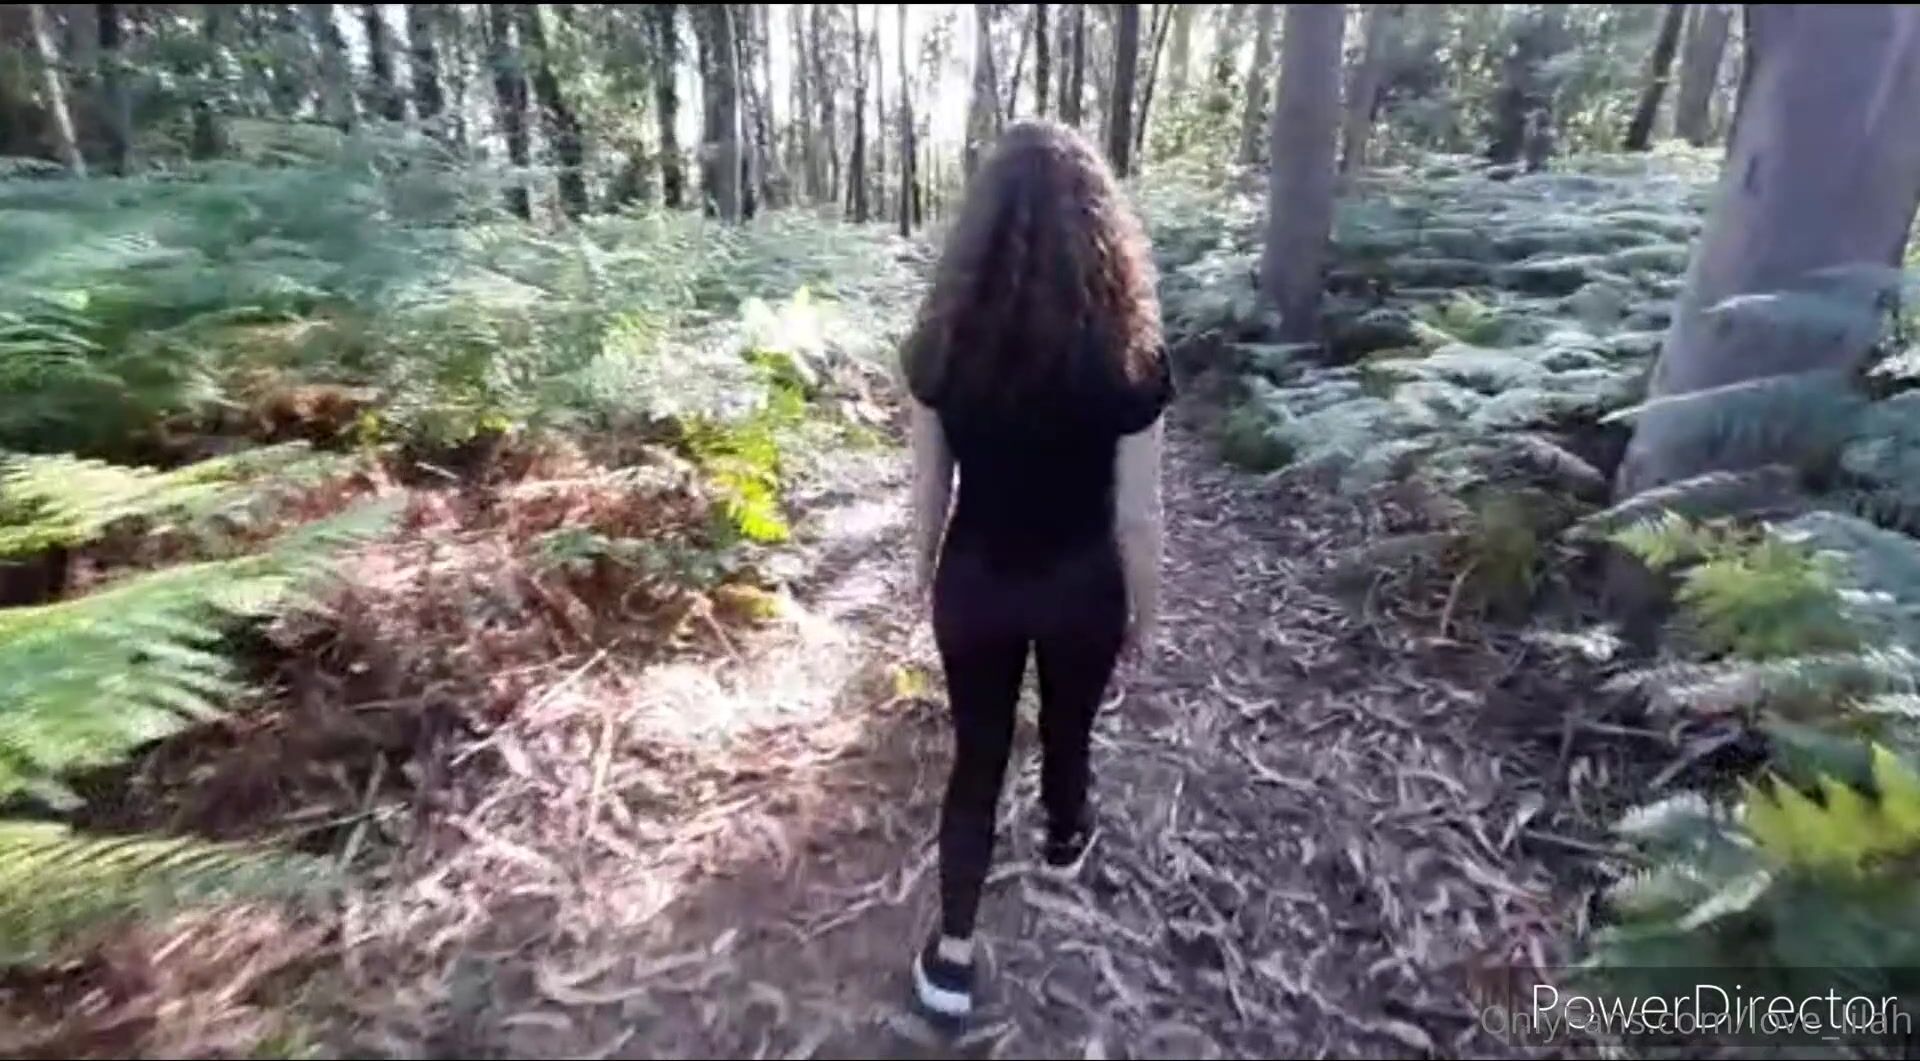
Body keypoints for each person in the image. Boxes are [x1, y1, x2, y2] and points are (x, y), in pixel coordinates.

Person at [897, 119, 1171, 1021]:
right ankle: (1063, 835)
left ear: (978, 229)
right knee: (1068, 726)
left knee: (976, 758)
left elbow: (928, 487)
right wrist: (1148, 609)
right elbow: (1139, 513)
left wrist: (920, 574)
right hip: (1082, 585)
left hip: (975, 579)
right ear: (1100, 226)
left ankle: (951, 960)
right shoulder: (1130, 352)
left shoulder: (941, 344)